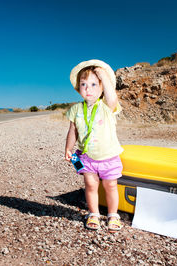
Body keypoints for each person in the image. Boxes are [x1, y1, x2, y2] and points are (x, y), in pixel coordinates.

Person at [65, 59, 123, 232]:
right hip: (85, 157)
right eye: (83, 84)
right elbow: (72, 131)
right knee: (90, 185)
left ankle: (113, 215)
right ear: (78, 88)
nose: (88, 88)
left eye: (93, 84)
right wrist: (68, 148)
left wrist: (104, 76)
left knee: (110, 186)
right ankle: (94, 213)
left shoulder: (106, 106)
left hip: (109, 157)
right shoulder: (76, 109)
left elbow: (112, 97)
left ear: (102, 87)